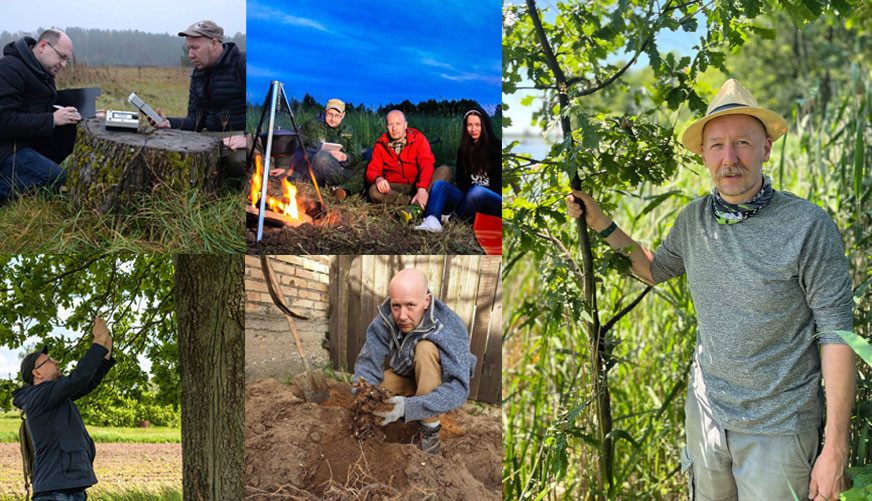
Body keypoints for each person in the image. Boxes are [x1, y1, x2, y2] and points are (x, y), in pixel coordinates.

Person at [567, 79, 855, 501]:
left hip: (780, 428)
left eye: (742, 142)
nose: (730, 158)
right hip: (706, 416)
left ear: (766, 149)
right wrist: (600, 223)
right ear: (703, 154)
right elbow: (653, 268)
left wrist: (836, 447)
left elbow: (837, 335)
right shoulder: (693, 221)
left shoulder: (808, 226)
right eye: (717, 145)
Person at [352, 268, 477, 454]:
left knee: (426, 348)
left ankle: (429, 433)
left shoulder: (450, 326)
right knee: (375, 391)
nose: (402, 316)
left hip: (438, 381)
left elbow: (458, 389)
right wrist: (361, 398)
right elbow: (369, 364)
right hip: (407, 375)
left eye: (410, 305)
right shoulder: (384, 321)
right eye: (396, 306)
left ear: (426, 301)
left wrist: (408, 407)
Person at [12, 318, 116, 501]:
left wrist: (105, 350)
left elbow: (87, 382)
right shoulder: (38, 397)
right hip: (54, 493)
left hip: (69, 489)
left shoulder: (53, 398)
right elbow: (78, 378)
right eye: (50, 361)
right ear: (37, 373)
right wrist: (98, 339)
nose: (57, 362)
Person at [149, 20, 246, 182]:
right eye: (189, 49)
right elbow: (195, 121)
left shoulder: (242, 64)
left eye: (195, 48)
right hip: (211, 136)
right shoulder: (198, 73)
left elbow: (268, 110)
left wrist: (248, 138)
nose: (190, 55)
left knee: (238, 160)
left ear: (214, 43)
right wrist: (169, 123)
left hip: (242, 136)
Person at [0, 29, 80, 202]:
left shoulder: (43, 70)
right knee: (58, 180)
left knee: (73, 128)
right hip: (6, 148)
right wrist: (52, 119)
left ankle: (35, 172)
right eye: (61, 56)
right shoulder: (8, 69)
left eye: (67, 59)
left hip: (26, 141)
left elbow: (39, 106)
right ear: (43, 45)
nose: (63, 64)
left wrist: (84, 113)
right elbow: (4, 120)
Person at [415, 105, 501, 233]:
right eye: (469, 125)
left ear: (484, 125)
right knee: (440, 185)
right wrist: (466, 200)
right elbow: (462, 182)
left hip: (493, 200)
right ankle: (432, 219)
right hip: (469, 200)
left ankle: (453, 220)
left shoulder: (497, 147)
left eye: (478, 125)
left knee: (477, 191)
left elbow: (500, 185)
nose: (473, 129)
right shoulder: (463, 150)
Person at [365, 110, 451, 207]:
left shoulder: (418, 138)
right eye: (390, 124)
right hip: (395, 187)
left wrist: (422, 189)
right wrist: (378, 178)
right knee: (373, 191)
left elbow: (427, 164)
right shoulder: (380, 144)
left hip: (419, 184)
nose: (394, 128)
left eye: (398, 124)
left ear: (405, 125)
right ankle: (415, 203)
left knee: (444, 170)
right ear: (386, 126)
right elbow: (372, 169)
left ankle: (421, 198)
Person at [295, 98, 363, 197]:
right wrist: (284, 167)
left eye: (337, 116)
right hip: (317, 168)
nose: (333, 119)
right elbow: (296, 145)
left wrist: (345, 157)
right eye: (330, 114)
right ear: (325, 112)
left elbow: (357, 155)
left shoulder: (349, 130)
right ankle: (345, 186)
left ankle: (343, 189)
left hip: (340, 170)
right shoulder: (312, 125)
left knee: (367, 164)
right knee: (322, 158)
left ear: (343, 115)